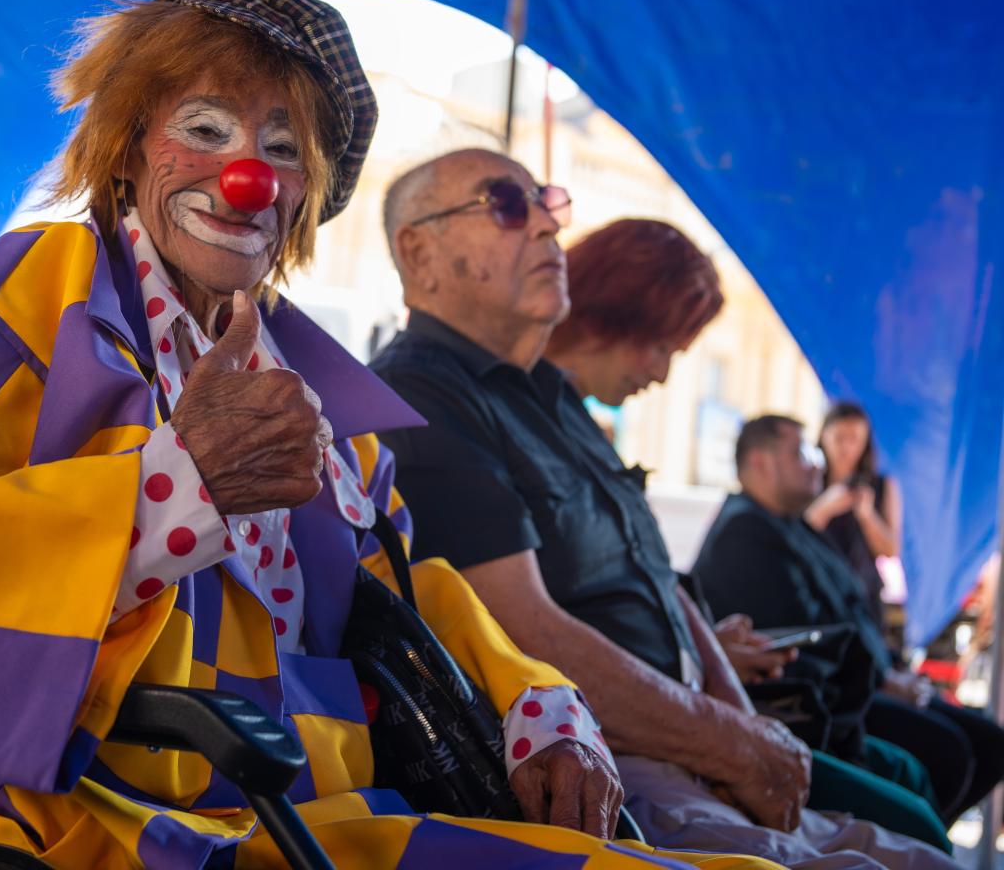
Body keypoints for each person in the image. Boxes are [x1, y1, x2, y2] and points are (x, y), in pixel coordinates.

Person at [0, 0, 779, 870]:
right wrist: (161, 496)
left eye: (281, 149)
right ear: (127, 150)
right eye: (203, 130)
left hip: (339, 817)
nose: (244, 175)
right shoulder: (16, 305)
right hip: (117, 829)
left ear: (303, 197)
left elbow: (403, 591)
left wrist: (533, 701)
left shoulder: (318, 383)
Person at [371, 156, 956, 869]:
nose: (551, 224)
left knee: (922, 848)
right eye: (506, 204)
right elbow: (525, 633)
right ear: (419, 254)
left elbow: (660, 579)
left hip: (687, 740)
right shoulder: (418, 398)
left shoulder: (552, 399)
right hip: (608, 763)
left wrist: (741, 726)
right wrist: (731, 741)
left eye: (549, 203)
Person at [694, 415, 1004, 824]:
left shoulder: (788, 524)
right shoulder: (746, 534)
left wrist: (891, 670)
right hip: (823, 705)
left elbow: (849, 609)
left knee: (986, 740)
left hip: (856, 683)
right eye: (801, 452)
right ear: (760, 462)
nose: (816, 463)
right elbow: (801, 643)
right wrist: (883, 681)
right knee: (950, 754)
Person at [804, 402, 904, 625]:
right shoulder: (806, 482)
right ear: (824, 436)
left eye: (854, 439)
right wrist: (824, 508)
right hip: (814, 596)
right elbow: (792, 538)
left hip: (862, 599)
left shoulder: (882, 486)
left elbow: (890, 550)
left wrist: (867, 515)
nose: (846, 448)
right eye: (839, 438)